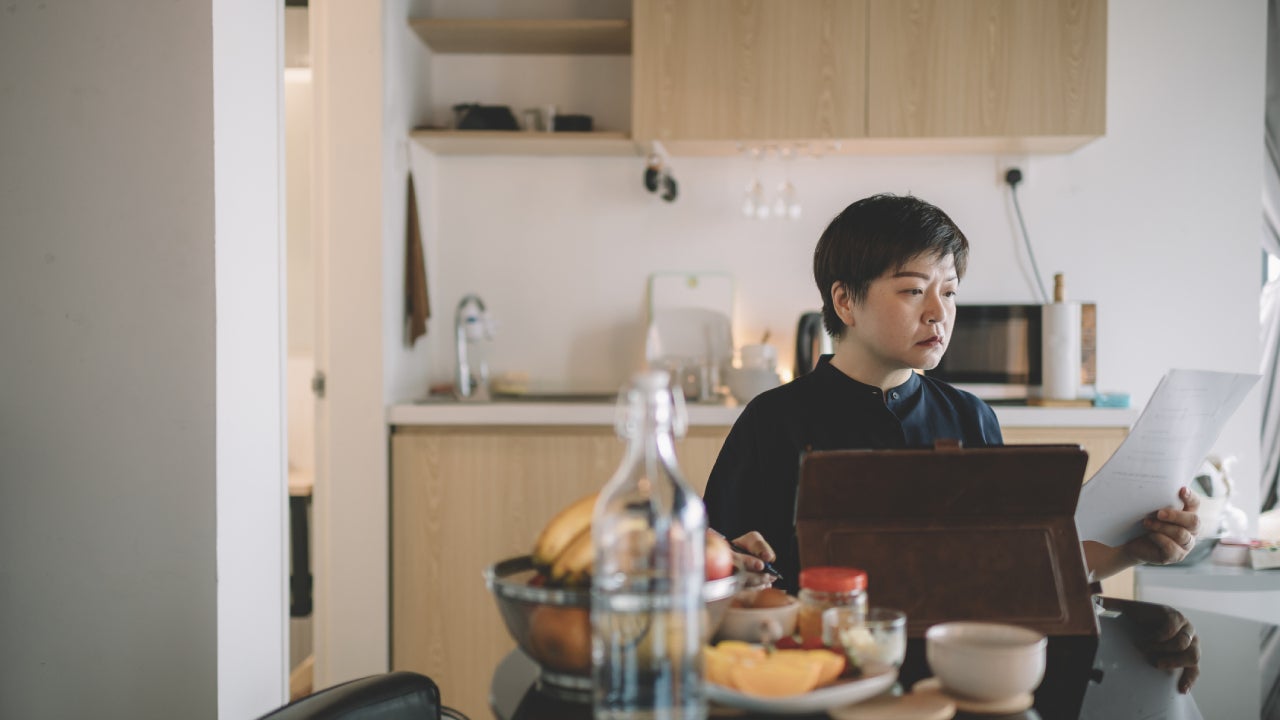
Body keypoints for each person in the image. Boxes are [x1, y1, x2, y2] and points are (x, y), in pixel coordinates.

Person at [703, 193, 1199, 593]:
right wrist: (726, 562)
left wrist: (1131, 551)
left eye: (950, 291)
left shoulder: (970, 418)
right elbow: (713, 559)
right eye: (914, 290)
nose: (939, 312)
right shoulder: (772, 421)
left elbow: (1017, 564)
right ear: (845, 301)